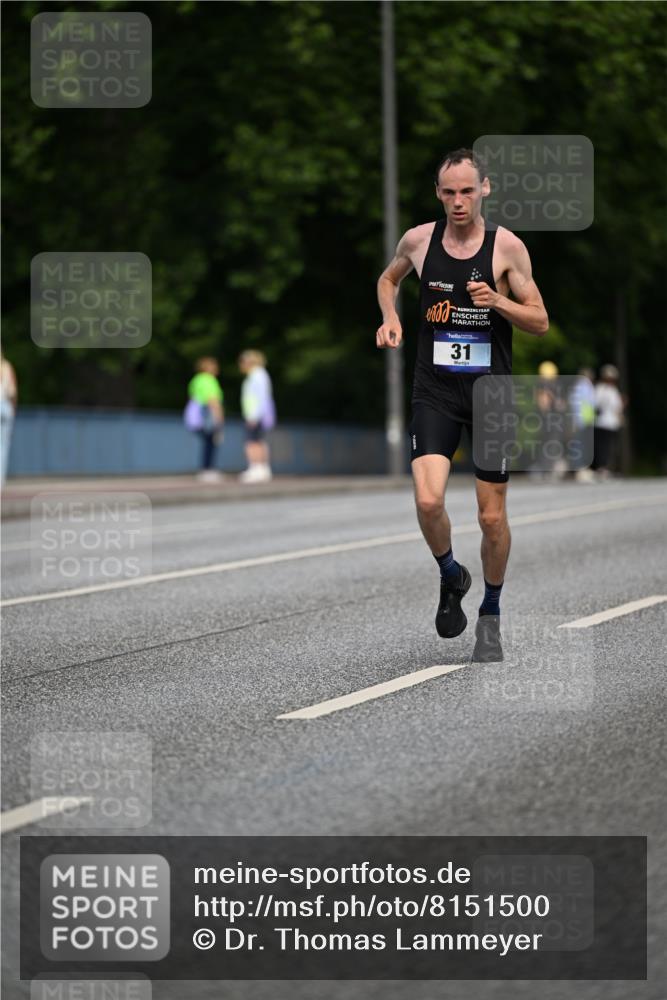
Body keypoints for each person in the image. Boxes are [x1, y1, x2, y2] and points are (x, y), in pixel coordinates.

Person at [375, 148, 548, 662]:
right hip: (436, 390)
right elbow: (388, 279)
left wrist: (498, 301)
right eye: (449, 192)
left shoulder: (506, 248)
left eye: (467, 191)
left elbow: (540, 320)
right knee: (428, 501)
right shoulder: (418, 241)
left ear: (484, 189)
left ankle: (490, 613)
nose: (458, 201)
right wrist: (391, 317)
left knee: (491, 518)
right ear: (438, 193)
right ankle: (451, 574)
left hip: (491, 395)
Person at [238, 350, 276, 484]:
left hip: (255, 414)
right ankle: (262, 469)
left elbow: (260, 397)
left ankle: (256, 468)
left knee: (252, 442)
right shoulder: (259, 375)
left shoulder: (256, 375)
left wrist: (253, 415)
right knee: (259, 441)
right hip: (259, 414)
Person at [186, 357, 225, 482]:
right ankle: (208, 470)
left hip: (196, 417)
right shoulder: (209, 380)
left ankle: (205, 469)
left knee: (207, 442)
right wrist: (220, 419)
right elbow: (213, 400)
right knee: (211, 442)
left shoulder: (196, 380)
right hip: (208, 416)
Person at [593, 364, 625, 479]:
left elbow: (618, 407)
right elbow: (596, 405)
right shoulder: (602, 389)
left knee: (608, 446)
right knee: (603, 446)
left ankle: (606, 467)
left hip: (609, 423)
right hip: (603, 422)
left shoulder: (610, 390)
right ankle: (601, 468)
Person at [0, 353, 17, 486]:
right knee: (3, 447)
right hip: (5, 407)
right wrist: (13, 409)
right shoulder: (6, 367)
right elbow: (13, 392)